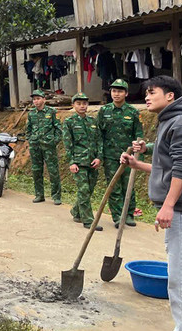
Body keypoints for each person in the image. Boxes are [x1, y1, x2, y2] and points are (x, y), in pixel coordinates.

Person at [122, 76, 182, 331]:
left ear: (170, 96)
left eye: (152, 92)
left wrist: (169, 205)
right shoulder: (175, 119)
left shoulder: (181, 121)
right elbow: (173, 168)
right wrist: (138, 166)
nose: (147, 97)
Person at [97, 78, 143, 228]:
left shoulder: (133, 112)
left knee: (128, 185)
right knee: (114, 186)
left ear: (126, 93)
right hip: (110, 156)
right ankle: (117, 216)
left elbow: (138, 135)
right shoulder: (104, 111)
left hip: (128, 156)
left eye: (120, 91)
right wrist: (99, 155)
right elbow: (99, 134)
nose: (116, 94)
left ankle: (129, 214)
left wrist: (138, 157)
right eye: (114, 91)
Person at [63, 92, 103, 231]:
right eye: (79, 103)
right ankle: (89, 221)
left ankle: (76, 211)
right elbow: (68, 144)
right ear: (73, 105)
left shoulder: (92, 121)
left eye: (84, 103)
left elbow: (99, 141)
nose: (82, 106)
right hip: (79, 162)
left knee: (89, 190)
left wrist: (99, 157)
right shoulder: (69, 122)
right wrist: (71, 162)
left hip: (92, 161)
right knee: (84, 190)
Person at [25, 89, 62, 204]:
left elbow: (58, 129)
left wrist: (54, 141)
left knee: (53, 171)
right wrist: (30, 140)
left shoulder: (51, 112)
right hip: (35, 146)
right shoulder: (31, 113)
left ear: (44, 99)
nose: (36, 101)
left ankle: (56, 197)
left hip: (48, 146)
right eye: (34, 99)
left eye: (38, 98)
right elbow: (28, 129)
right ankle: (39, 195)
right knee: (36, 170)